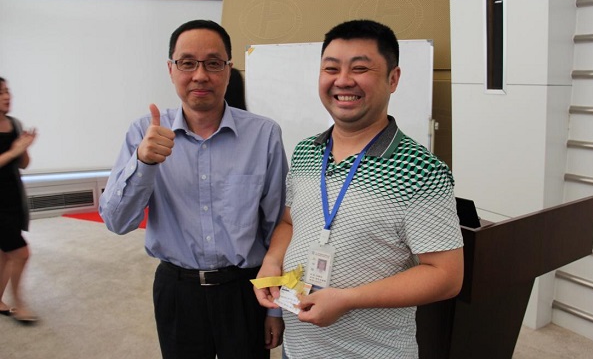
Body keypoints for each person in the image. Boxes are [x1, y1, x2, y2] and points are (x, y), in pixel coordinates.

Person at [254, 20, 464, 358]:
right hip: (298, 350)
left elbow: (446, 276)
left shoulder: (422, 170)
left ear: (393, 79)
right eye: (331, 68)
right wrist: (272, 262)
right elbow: (290, 222)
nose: (343, 80)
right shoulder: (307, 151)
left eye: (360, 68)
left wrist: (348, 299)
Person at [99, 20, 288, 359]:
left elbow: (277, 225)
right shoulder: (144, 133)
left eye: (213, 63)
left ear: (228, 70)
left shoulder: (264, 135)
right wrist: (143, 162)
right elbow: (117, 222)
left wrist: (275, 309)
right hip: (177, 291)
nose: (200, 75)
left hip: (244, 290)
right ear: (171, 69)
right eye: (187, 63)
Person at [0, 77, 38, 324]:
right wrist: (14, 150)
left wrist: (24, 148)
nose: (7, 96)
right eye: (1, 92)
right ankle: (19, 305)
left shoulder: (14, 124)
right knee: (21, 253)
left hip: (13, 197)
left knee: (5, 254)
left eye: (7, 91)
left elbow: (23, 164)